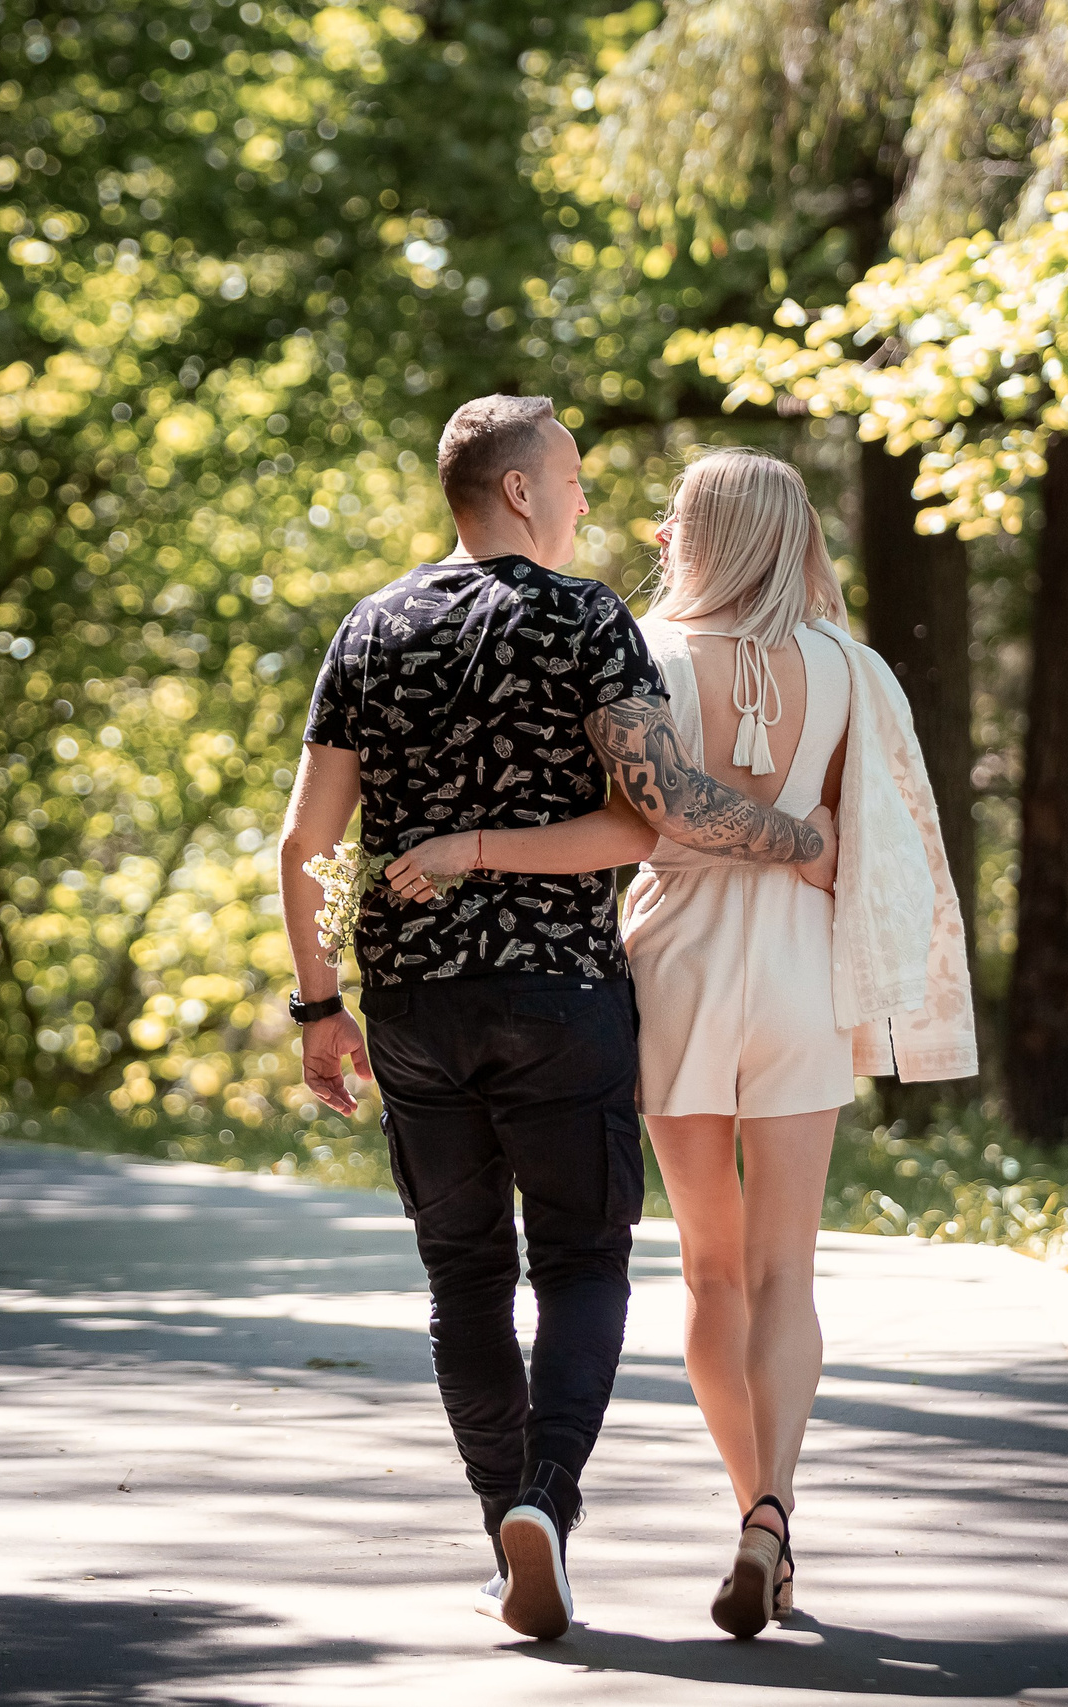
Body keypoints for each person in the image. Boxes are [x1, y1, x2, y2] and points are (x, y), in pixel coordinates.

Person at [383, 447, 977, 1640]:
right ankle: (769, 1517)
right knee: (785, 1271)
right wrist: (804, 842)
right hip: (802, 975)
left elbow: (629, 826)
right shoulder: (855, 674)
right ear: (794, 535)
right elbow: (878, 846)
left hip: (672, 972)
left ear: (693, 536)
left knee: (709, 1271)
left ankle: (747, 1500)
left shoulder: (641, 652)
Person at [276, 399, 836, 1642]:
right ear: (521, 492)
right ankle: (545, 1494)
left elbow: (304, 841)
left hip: (413, 1004)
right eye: (574, 480)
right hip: (562, 996)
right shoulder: (586, 619)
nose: (588, 503)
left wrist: (319, 1007)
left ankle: (510, 1538)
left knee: (462, 1280)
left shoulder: (370, 626)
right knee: (581, 1266)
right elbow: (655, 814)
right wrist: (802, 839)